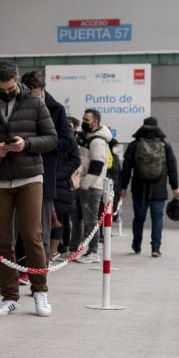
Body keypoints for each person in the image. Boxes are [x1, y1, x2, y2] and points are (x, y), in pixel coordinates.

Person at [0, 61, 57, 318]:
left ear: (17, 79)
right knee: (3, 240)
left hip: (29, 177)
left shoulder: (35, 102)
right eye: (1, 88)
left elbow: (52, 138)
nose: (6, 91)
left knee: (32, 236)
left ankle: (40, 292)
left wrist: (26, 144)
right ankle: (10, 296)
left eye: (10, 87)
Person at [20, 71, 77, 265]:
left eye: (33, 93)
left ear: (41, 90)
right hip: (20, 171)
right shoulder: (18, 104)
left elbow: (68, 143)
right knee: (20, 227)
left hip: (44, 173)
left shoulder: (56, 109)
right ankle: (18, 268)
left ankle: (39, 270)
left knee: (42, 227)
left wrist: (40, 144)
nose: (30, 97)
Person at [117, 116, 179, 257]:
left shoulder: (134, 145)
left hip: (139, 187)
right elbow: (172, 167)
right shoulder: (165, 145)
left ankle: (136, 245)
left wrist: (123, 186)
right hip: (159, 188)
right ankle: (155, 248)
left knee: (139, 217)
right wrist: (175, 187)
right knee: (157, 218)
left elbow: (126, 168)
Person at [71, 109, 111, 264]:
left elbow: (97, 166)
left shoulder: (98, 141)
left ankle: (93, 251)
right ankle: (75, 249)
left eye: (86, 120)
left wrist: (84, 184)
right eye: (83, 119)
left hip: (92, 187)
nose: (84, 122)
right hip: (84, 185)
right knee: (78, 219)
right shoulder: (87, 138)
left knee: (90, 221)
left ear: (95, 122)